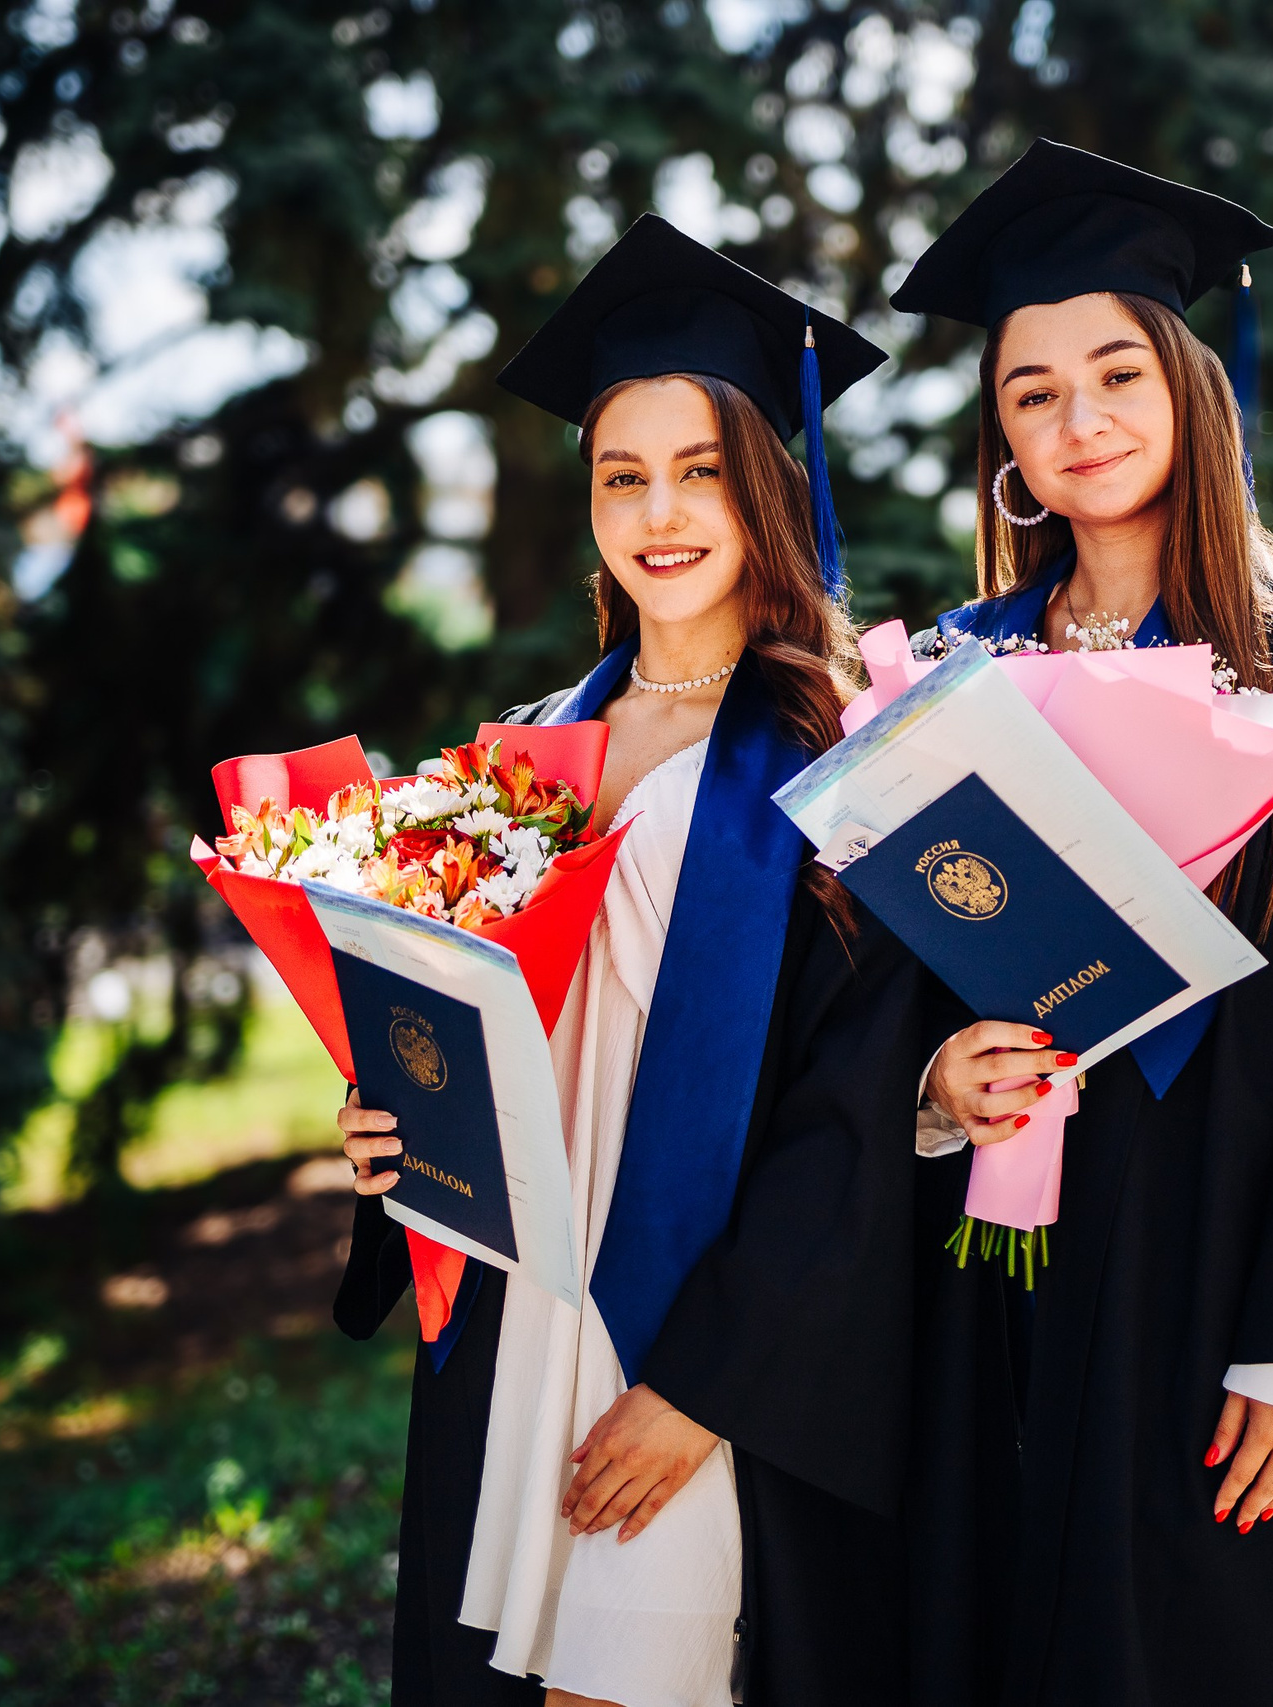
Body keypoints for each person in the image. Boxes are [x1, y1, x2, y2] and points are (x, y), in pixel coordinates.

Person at [888, 142, 1273, 1706]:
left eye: (1114, 372)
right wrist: (932, 1086)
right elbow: (898, 976)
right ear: (1003, 442)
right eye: (1032, 393)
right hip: (991, 1277)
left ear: (1189, 387)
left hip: (1227, 1271)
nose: (1078, 420)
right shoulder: (950, 670)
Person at [332, 214, 949, 1707]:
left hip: (707, 1334)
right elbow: (473, 1025)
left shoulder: (843, 748)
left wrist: (703, 1387)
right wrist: (393, 1134)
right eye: (623, 474)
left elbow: (851, 1113)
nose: (660, 510)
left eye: (703, 469)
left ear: (768, 485)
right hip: (518, 1321)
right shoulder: (530, 749)